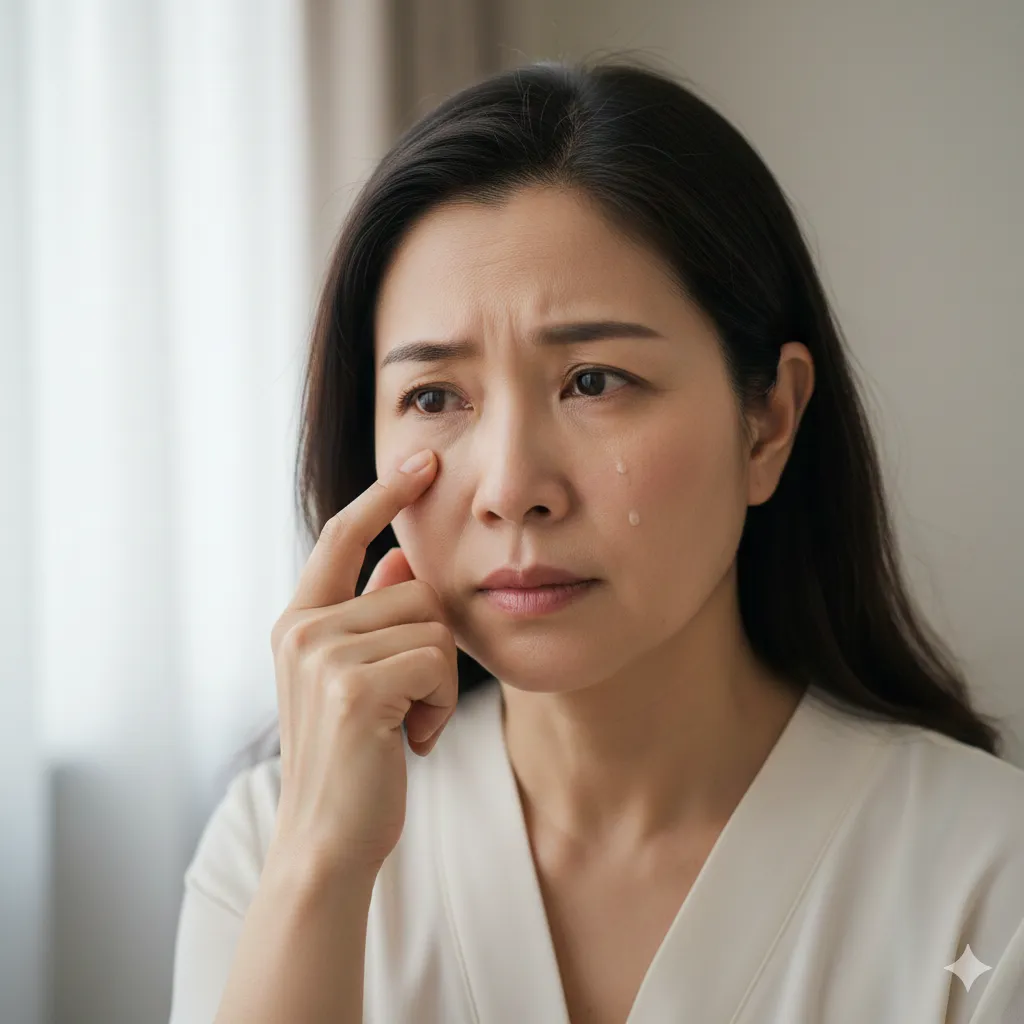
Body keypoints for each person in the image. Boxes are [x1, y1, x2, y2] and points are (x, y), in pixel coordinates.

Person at [167, 55, 1024, 1024]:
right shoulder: (268, 847)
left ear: (768, 422)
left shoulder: (989, 879)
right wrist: (319, 861)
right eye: (434, 396)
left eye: (593, 381)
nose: (511, 488)